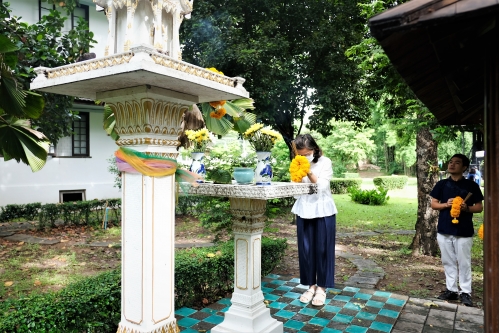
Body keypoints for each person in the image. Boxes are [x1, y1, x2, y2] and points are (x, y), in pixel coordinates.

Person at [430, 154, 483, 307]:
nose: (452, 165)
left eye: (457, 163)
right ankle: (451, 290)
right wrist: (446, 204)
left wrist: (467, 208)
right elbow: (434, 204)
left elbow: (479, 207)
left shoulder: (471, 186)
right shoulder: (441, 184)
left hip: (464, 231)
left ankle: (465, 292)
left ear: (464, 167)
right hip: (444, 229)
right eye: (451, 162)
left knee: (464, 262)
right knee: (448, 261)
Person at [291, 134, 337, 306]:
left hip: (324, 211)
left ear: (314, 150)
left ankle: (322, 288)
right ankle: (311, 286)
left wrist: (308, 171)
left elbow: (322, 188)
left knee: (323, 250)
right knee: (306, 250)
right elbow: (296, 193)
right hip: (304, 210)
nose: (303, 157)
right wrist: (296, 176)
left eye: (306, 154)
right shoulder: (297, 164)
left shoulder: (325, 162)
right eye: (300, 155)